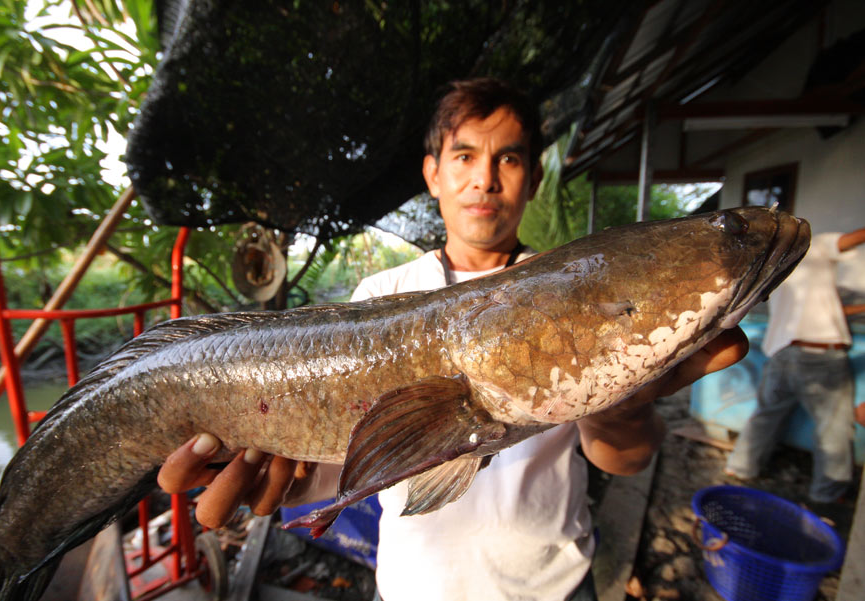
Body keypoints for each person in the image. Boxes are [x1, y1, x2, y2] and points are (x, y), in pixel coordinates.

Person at [158, 78, 748, 601]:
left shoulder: (578, 287)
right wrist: (282, 478)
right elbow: (350, 461)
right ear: (432, 173)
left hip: (557, 584)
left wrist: (621, 410)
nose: (485, 179)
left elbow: (626, 458)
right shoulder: (380, 293)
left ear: (533, 178)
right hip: (417, 586)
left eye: (509, 158)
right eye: (464, 155)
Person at [725, 227, 865, 503]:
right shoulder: (819, 244)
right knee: (832, 426)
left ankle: (740, 467)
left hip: (781, 353)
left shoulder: (776, 265)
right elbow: (852, 239)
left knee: (765, 416)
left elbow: (828, 309)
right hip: (820, 356)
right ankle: (828, 493)